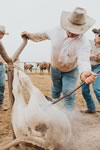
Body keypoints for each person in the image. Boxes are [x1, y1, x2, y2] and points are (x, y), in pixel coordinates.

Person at [21, 7, 96, 111]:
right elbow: (40, 35)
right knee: (55, 91)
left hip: (71, 70)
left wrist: (84, 72)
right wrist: (29, 35)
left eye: (76, 30)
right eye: (70, 28)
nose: (71, 32)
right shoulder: (55, 30)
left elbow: (83, 60)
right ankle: (55, 112)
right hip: (55, 68)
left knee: (68, 91)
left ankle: (68, 117)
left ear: (82, 29)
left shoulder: (84, 43)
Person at [81, 28, 100, 113]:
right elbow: (81, 54)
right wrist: (92, 55)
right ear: (96, 35)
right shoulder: (88, 43)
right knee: (84, 90)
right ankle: (91, 108)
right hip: (87, 67)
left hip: (98, 67)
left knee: (97, 89)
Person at [0, 25, 12, 110]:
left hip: (1, 66)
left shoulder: (1, 44)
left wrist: (9, 62)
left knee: (2, 85)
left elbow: (5, 56)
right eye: (1, 33)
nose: (2, 35)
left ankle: (0, 104)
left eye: (3, 34)